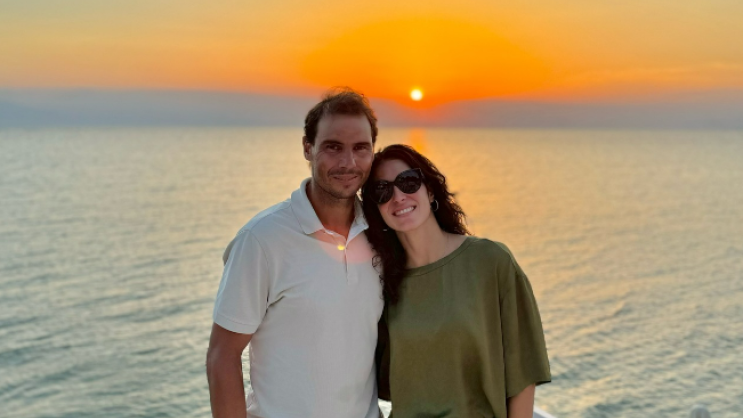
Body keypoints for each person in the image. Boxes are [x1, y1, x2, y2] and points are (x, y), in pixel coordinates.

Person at [206, 88, 384, 418]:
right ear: (307, 148)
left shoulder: (380, 235)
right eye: (333, 147)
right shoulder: (262, 239)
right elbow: (222, 355)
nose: (348, 163)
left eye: (360, 148)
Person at [361, 144, 551, 418]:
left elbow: (523, 371)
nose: (398, 196)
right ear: (376, 207)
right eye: (383, 190)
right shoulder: (383, 285)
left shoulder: (490, 261)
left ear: (429, 190)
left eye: (408, 182)